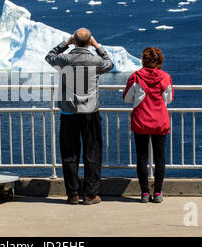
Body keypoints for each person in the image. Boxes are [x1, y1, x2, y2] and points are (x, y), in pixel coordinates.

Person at [45, 28, 114, 205]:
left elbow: (49, 56)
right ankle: (91, 194)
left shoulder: (64, 59)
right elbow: (110, 63)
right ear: (89, 41)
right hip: (90, 113)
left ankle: (73, 194)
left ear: (74, 41)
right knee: (92, 152)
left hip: (69, 113)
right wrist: (97, 46)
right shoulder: (95, 60)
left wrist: (65, 44)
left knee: (69, 153)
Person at [123, 47, 173, 203]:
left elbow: (127, 99)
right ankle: (157, 193)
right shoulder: (165, 77)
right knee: (160, 158)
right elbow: (169, 99)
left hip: (141, 121)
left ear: (143, 60)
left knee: (142, 157)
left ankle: (144, 193)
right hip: (160, 121)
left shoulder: (136, 77)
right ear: (160, 60)